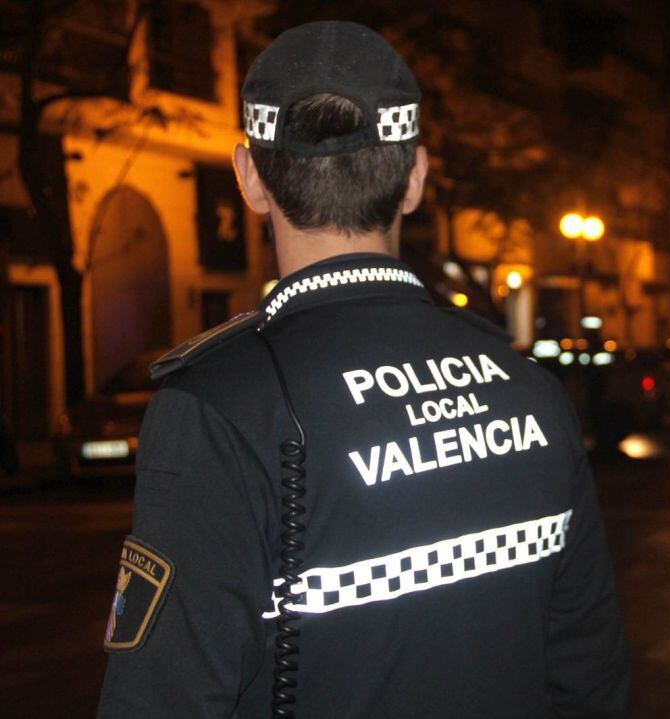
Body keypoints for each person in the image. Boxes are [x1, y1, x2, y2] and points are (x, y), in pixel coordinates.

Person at [97, 20, 629, 719]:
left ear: (251, 177)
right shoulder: (528, 386)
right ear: (414, 178)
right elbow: (591, 680)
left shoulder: (217, 407)